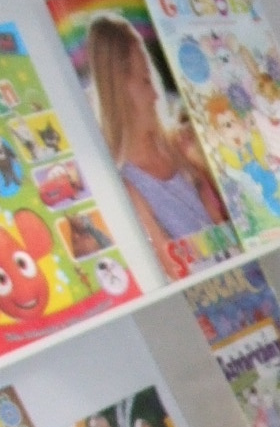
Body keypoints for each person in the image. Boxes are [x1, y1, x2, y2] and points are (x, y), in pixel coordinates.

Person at [84, 15, 231, 277]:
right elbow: (172, 268)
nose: (154, 94)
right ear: (120, 91)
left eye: (151, 79)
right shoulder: (125, 185)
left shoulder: (182, 146)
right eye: (145, 82)